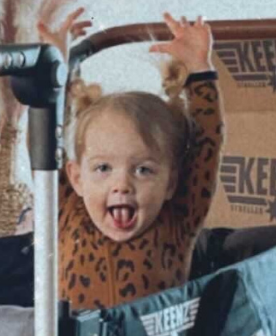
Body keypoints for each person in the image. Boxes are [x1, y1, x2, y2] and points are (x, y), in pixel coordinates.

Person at [37, 8, 225, 308]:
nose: (121, 184)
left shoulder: (177, 221)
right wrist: (54, 70)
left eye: (143, 170)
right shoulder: (67, 213)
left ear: (171, 182)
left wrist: (199, 69)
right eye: (103, 168)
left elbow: (206, 147)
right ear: (76, 178)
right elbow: (45, 143)